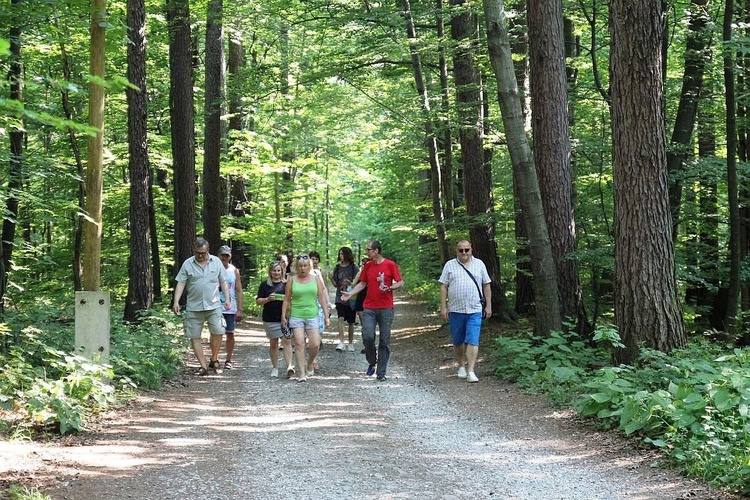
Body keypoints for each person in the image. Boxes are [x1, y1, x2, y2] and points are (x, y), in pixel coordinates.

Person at [341, 241, 403, 381]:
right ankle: (371, 361)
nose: (366, 252)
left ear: (376, 251)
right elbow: (362, 283)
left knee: (384, 339)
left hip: (386, 308)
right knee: (367, 336)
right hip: (369, 307)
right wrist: (350, 294)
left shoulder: (390, 265)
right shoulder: (368, 266)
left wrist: (390, 288)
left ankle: (381, 372)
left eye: (368, 250)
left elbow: (400, 282)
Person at [172, 238, 231, 376]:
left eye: (203, 253)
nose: (200, 255)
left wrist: (227, 299)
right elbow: (180, 283)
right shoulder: (187, 264)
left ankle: (214, 359)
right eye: (198, 253)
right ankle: (203, 366)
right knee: (194, 336)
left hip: (214, 304)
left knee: (218, 331)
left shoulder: (216, 262)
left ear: (208, 251)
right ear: (194, 251)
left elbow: (223, 281)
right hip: (194, 306)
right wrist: (176, 301)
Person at [438, 240, 492, 383]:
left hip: (474, 309)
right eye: (461, 250)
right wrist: (444, 307)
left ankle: (471, 371)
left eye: (466, 250)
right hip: (456, 309)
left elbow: (486, 285)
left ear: (471, 250)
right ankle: (461, 365)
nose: (464, 253)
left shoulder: (479, 264)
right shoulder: (450, 265)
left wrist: (488, 305)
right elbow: (443, 286)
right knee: (458, 341)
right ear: (456, 251)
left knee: (473, 340)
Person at [281, 254, 330, 382]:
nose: (303, 268)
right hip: (296, 315)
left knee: (315, 344)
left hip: (312, 315)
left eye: (305, 266)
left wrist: (326, 315)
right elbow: (286, 299)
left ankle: (309, 363)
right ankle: (302, 373)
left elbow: (321, 297)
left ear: (310, 266)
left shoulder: (316, 279)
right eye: (300, 266)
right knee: (299, 343)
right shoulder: (292, 279)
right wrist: (283, 316)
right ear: (297, 267)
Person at [256, 260, 294, 378]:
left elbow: (292, 298)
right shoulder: (265, 285)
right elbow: (258, 301)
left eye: (278, 270)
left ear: (282, 271)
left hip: (285, 317)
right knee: (273, 343)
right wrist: (268, 299)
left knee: (287, 342)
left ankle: (289, 366)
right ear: (270, 272)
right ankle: (275, 367)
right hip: (270, 318)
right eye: (274, 270)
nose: (276, 273)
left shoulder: (286, 284)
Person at [217, 245, 243, 369]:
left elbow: (239, 290)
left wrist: (240, 309)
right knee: (216, 333)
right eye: (222, 255)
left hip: (230, 308)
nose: (224, 257)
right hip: (215, 306)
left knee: (230, 334)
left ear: (230, 256)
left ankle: (228, 359)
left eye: (226, 255)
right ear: (218, 255)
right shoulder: (213, 268)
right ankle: (214, 358)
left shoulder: (234, 271)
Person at [331, 246, 359, 352]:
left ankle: (350, 343)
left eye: (342, 254)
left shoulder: (354, 267)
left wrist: (350, 283)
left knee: (351, 321)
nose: (340, 256)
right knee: (340, 318)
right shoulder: (337, 268)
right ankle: (341, 342)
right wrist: (330, 278)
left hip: (351, 297)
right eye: (339, 254)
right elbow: (335, 284)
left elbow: (358, 282)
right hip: (340, 297)